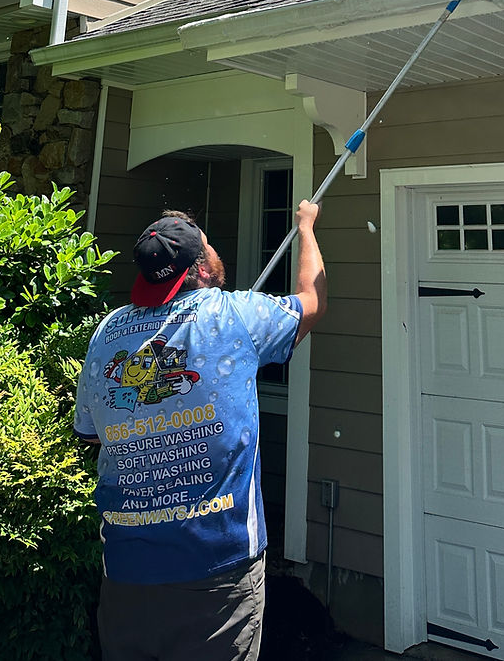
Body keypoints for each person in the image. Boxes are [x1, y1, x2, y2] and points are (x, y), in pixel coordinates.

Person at [74, 200, 325, 661]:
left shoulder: (107, 333)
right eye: (207, 246)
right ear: (202, 267)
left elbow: (90, 432)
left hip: (127, 577)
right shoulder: (237, 316)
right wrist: (306, 227)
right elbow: (312, 301)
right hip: (217, 577)